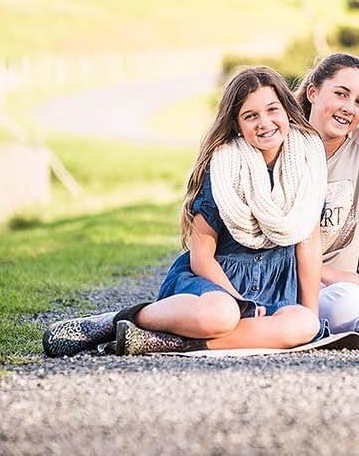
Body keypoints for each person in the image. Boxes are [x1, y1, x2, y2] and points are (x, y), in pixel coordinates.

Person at [43, 66, 325, 357]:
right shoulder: (225, 169)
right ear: (237, 125)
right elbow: (201, 257)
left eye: (272, 110)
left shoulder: (307, 164)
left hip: (272, 290)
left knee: (303, 324)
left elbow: (309, 243)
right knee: (221, 315)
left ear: (288, 111)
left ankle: (167, 341)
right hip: (211, 288)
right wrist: (242, 305)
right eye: (250, 116)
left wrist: (313, 315)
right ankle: (116, 320)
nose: (264, 122)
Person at [294, 54, 359, 332]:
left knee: (353, 306)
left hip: (332, 292)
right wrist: (330, 273)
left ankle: (291, 325)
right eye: (341, 94)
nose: (349, 108)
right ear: (313, 92)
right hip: (282, 276)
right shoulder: (287, 144)